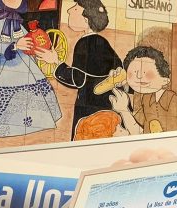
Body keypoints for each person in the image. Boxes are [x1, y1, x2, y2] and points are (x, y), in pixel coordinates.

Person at [0, 0, 63, 138]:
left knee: (26, 70)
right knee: (11, 74)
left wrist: (34, 49)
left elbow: (24, 41)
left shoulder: (15, 19)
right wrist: (15, 45)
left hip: (13, 58)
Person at [34, 0, 121, 138]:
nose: (69, 11)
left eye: (74, 9)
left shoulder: (86, 43)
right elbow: (118, 69)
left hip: (91, 107)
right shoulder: (102, 42)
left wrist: (55, 62)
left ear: (86, 20)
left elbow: (77, 80)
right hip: (107, 104)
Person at [108, 45, 177, 135]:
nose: (139, 77)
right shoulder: (147, 99)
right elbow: (140, 132)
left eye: (146, 72)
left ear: (165, 80)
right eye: (133, 72)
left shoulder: (175, 103)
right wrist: (123, 109)